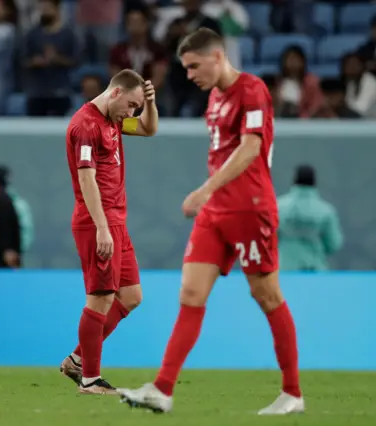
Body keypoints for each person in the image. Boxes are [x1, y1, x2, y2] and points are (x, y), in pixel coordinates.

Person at [117, 28, 304, 415]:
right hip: (215, 212)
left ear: (217, 57)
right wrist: (209, 198)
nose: (189, 75)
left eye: (194, 66)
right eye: (185, 68)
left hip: (250, 208)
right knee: (190, 293)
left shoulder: (252, 91)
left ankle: (292, 393)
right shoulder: (215, 100)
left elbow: (251, 148)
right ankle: (162, 389)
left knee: (266, 295)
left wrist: (204, 190)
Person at [62, 69, 159, 394]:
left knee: (131, 297)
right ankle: (90, 379)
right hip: (96, 222)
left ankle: (77, 359)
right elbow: (87, 178)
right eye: (131, 105)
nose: (131, 113)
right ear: (115, 93)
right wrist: (102, 227)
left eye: (135, 107)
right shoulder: (86, 125)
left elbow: (148, 129)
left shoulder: (114, 121)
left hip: (117, 221)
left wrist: (150, 103)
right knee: (101, 298)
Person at [277, 165, 343, 271]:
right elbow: (334, 243)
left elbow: (268, 239)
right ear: (314, 182)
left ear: (294, 180)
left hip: (284, 269)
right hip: (315, 269)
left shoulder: (278, 207)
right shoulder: (326, 210)